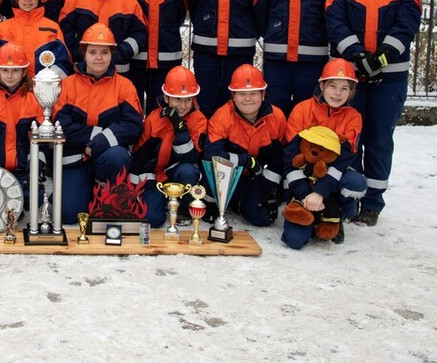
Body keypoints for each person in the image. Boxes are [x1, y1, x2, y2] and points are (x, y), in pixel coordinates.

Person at [325, 0, 421, 226]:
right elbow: (334, 23)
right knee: (350, 138)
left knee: (380, 139)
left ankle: (373, 202)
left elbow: (406, 27)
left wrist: (381, 57)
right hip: (349, 79)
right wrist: (357, 55)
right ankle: (349, 196)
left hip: (389, 78)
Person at [52, 24, 144, 226]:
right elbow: (61, 126)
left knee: (117, 155)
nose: (99, 58)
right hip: (76, 156)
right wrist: (96, 135)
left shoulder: (124, 86)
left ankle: (107, 199)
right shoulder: (67, 85)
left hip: (108, 157)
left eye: (104, 52)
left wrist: (101, 141)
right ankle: (82, 193)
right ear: (83, 54)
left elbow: (133, 126)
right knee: (68, 215)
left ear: (112, 54)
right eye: (92, 52)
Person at [281, 58, 367, 248]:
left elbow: (343, 161)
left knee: (356, 182)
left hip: (332, 180)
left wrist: (320, 192)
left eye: (345, 88)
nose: (337, 93)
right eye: (332, 86)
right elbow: (290, 158)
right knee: (295, 241)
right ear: (322, 85)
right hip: (303, 180)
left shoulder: (353, 117)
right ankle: (313, 215)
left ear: (352, 91)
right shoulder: (302, 110)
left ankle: (339, 215)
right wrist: (305, 194)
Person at [204, 64, 286, 227]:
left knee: (261, 219)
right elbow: (211, 155)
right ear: (233, 95)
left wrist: (269, 189)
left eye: (253, 93)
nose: (248, 99)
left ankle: (240, 201)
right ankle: (219, 204)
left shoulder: (277, 117)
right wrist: (246, 161)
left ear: (263, 94)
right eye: (242, 94)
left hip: (256, 175)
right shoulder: (222, 116)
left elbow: (280, 157)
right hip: (227, 174)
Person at [131, 65, 208, 228]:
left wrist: (180, 128)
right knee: (153, 220)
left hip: (178, 172)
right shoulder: (154, 118)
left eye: (188, 99)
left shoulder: (199, 120)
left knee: (189, 171)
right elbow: (140, 153)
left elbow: (190, 157)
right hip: (154, 175)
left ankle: (184, 207)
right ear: (166, 98)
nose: (183, 105)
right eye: (177, 99)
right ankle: (160, 201)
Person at [0, 43, 44, 201]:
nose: (9, 76)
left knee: (32, 199)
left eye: (15, 70)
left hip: (23, 172)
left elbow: (40, 144)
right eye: (5, 70)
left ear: (24, 71)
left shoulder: (35, 102)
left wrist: (34, 172)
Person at [0, 0, 72, 78]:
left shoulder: (52, 28)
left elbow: (63, 61)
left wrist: (46, 82)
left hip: (45, 90)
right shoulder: (3, 28)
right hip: (12, 89)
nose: (28, 0)